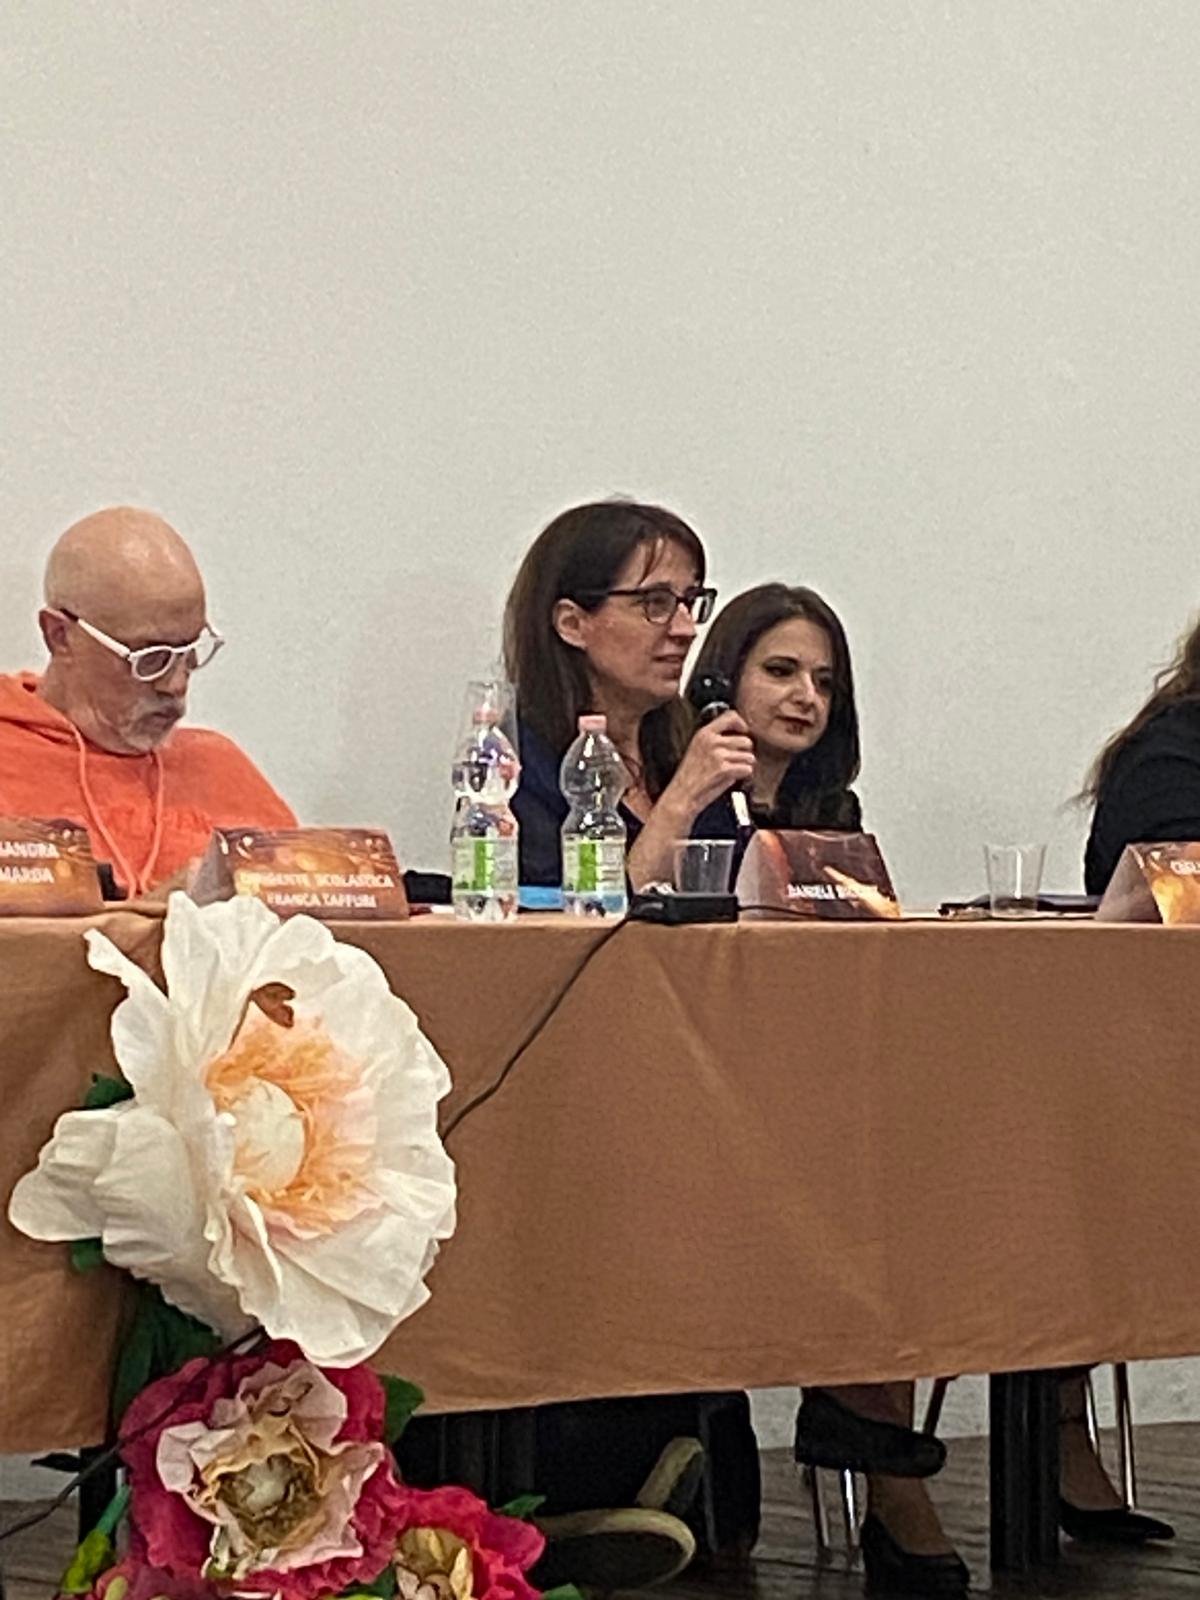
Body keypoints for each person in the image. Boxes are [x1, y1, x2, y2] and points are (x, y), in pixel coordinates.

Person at [691, 584, 968, 1597]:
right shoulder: (672, 797)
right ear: (722, 679)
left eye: (824, 680)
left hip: (816, 1086)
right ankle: (885, 1473)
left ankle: (869, 1441)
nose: (805, 696)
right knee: (849, 1187)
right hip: (702, 1087)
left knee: (908, 1179)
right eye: (780, 671)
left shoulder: (832, 820)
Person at [0, 506, 294, 895]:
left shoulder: (223, 769)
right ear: (60, 636)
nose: (176, 684)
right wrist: (158, 913)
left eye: (189, 652)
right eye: (151, 659)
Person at [504, 498, 754, 889]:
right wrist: (682, 799)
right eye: (656, 603)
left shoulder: (685, 744)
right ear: (572, 624)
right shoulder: (520, 766)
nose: (686, 630)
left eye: (689, 602)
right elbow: (580, 918)